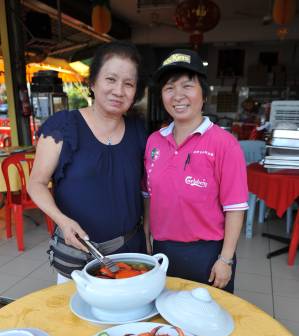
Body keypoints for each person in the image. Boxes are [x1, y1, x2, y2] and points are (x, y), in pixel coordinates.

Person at [28, 41, 147, 282]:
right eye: (110, 79)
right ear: (92, 82)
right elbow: (36, 183)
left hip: (132, 254)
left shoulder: (140, 132)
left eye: (128, 84)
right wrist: (62, 220)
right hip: (79, 254)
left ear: (135, 92)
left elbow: (147, 189)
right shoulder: (63, 126)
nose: (118, 90)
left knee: (131, 320)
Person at [143, 49, 248, 293]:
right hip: (162, 249)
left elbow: (235, 207)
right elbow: (148, 195)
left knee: (204, 325)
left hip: (207, 254)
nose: (178, 95)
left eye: (187, 86)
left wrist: (225, 259)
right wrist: (147, 237)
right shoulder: (154, 141)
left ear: (203, 94)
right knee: (164, 323)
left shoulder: (224, 143)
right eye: (169, 88)